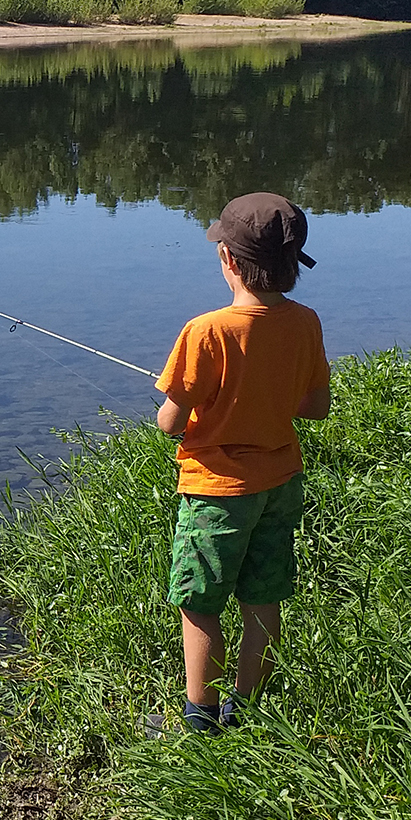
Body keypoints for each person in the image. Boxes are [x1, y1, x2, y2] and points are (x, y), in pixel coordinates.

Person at [153, 193, 331, 733]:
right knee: (262, 596)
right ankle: (247, 710)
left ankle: (201, 720)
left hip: (217, 492)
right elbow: (316, 407)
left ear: (227, 260)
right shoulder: (305, 323)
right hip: (280, 483)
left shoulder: (206, 331)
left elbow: (170, 422)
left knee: (200, 601)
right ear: (292, 264)